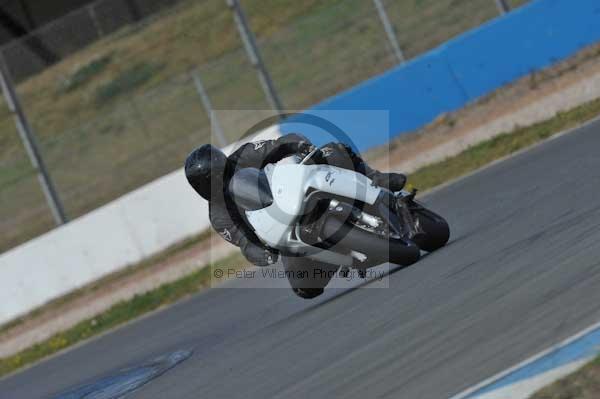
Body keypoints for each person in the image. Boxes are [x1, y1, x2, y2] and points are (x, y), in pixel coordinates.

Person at [185, 134, 407, 297]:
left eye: (219, 171)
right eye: (211, 179)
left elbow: (278, 145)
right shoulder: (219, 216)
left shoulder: (243, 155)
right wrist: (260, 253)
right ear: (202, 187)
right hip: (285, 233)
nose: (220, 179)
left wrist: (299, 145)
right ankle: (341, 256)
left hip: (294, 191)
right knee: (305, 288)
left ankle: (377, 180)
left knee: (332, 151)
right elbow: (244, 241)